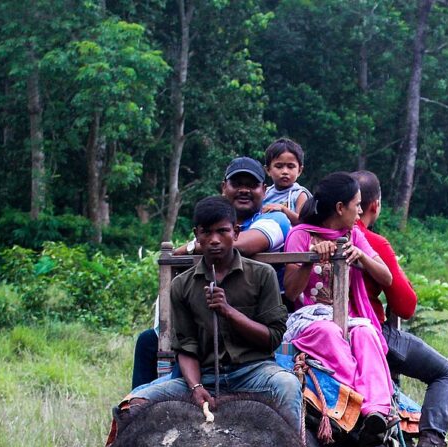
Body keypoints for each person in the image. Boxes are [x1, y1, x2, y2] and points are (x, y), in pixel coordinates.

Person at [126, 196, 301, 428]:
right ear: (196, 235)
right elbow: (186, 347)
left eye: (223, 231)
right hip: (205, 375)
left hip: (254, 372)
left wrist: (229, 311)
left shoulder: (262, 274)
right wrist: (196, 387)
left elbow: (272, 337)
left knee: (287, 385)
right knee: (132, 403)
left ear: (236, 233)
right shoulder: (182, 285)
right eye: (207, 232)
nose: (215, 240)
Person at [132, 157, 289, 388]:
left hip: (256, 322)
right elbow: (186, 343)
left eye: (251, 184)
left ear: (264, 190)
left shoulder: (274, 219)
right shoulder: (207, 217)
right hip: (200, 336)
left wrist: (196, 245)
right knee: (147, 348)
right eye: (237, 184)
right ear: (224, 187)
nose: (244, 190)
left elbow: (246, 244)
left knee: (286, 385)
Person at [351, 170, 448, 447]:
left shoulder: (305, 234)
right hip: (370, 334)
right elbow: (406, 305)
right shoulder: (371, 241)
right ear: (374, 206)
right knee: (445, 371)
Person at [284, 172, 396, 439]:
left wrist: (363, 259)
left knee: (367, 333)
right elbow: (291, 291)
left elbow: (387, 277)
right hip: (309, 319)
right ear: (339, 208)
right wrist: (311, 260)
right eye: (356, 205)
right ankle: (351, 404)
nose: (360, 211)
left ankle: (376, 411)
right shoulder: (301, 235)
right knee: (330, 333)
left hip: (344, 317)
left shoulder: (354, 235)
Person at [262, 138, 312, 225]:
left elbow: (303, 222)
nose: (285, 171)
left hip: (289, 237)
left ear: (299, 170)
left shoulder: (299, 194)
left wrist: (283, 209)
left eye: (290, 166)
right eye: (279, 166)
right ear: (268, 170)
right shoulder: (265, 193)